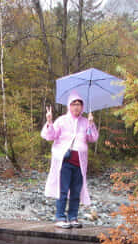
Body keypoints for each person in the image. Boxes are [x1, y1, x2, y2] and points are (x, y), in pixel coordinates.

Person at [41, 92, 98, 228]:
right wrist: (49, 121)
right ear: (69, 106)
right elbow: (50, 136)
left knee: (76, 191)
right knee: (63, 190)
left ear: (82, 107)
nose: (76, 107)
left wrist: (91, 124)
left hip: (80, 162)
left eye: (79, 104)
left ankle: (73, 217)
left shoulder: (85, 122)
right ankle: (60, 217)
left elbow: (92, 138)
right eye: (73, 104)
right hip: (65, 161)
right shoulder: (62, 120)